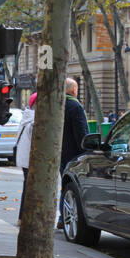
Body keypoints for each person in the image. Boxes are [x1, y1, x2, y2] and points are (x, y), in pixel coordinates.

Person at [57, 77, 89, 227]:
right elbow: (82, 133)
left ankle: (62, 218)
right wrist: (87, 151)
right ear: (74, 90)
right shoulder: (75, 107)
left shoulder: (56, 105)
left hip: (59, 153)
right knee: (73, 188)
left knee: (65, 186)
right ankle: (65, 218)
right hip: (74, 155)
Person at [15, 93, 36, 217]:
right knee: (31, 189)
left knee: (27, 187)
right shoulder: (34, 121)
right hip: (30, 159)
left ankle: (22, 216)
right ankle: (25, 216)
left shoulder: (25, 118)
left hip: (24, 159)